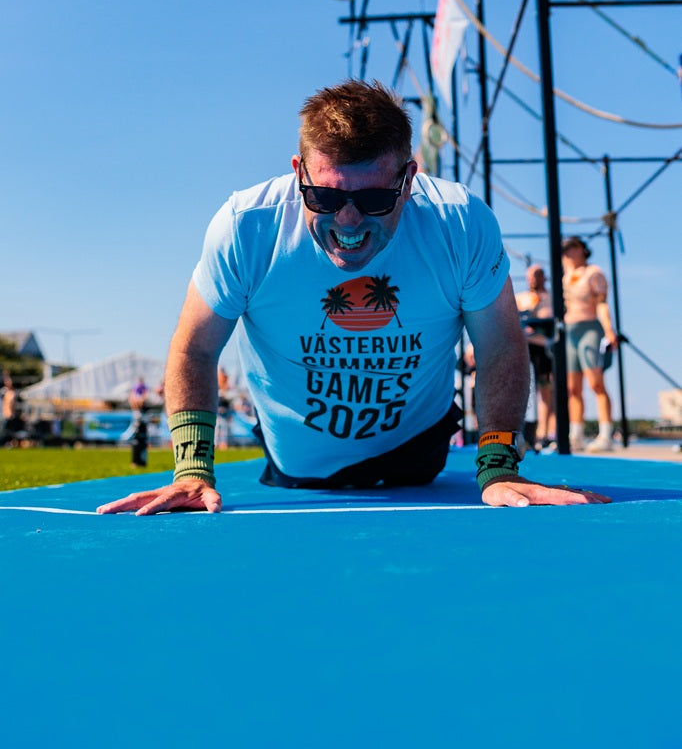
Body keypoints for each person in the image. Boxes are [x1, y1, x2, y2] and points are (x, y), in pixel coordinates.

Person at [98, 80, 609, 516]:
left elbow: (499, 345)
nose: (348, 223)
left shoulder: (459, 223)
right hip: (295, 460)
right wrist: (192, 468)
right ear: (299, 173)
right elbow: (195, 347)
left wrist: (498, 468)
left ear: (409, 181)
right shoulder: (246, 227)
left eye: (373, 200)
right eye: (325, 198)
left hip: (417, 449)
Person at [561, 236, 619, 453]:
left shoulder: (593, 272)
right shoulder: (564, 276)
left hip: (589, 329)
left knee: (595, 382)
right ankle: (576, 434)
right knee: (572, 387)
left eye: (571, 248)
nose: (567, 252)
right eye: (564, 249)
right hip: (569, 332)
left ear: (582, 249)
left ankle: (606, 434)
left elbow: (602, 304)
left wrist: (609, 330)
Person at [516, 264, 556, 450]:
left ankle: (545, 433)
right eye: (530, 275)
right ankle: (521, 433)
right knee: (522, 390)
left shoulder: (552, 298)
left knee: (546, 389)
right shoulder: (521, 298)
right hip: (524, 348)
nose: (534, 278)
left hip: (544, 349)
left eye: (537, 274)